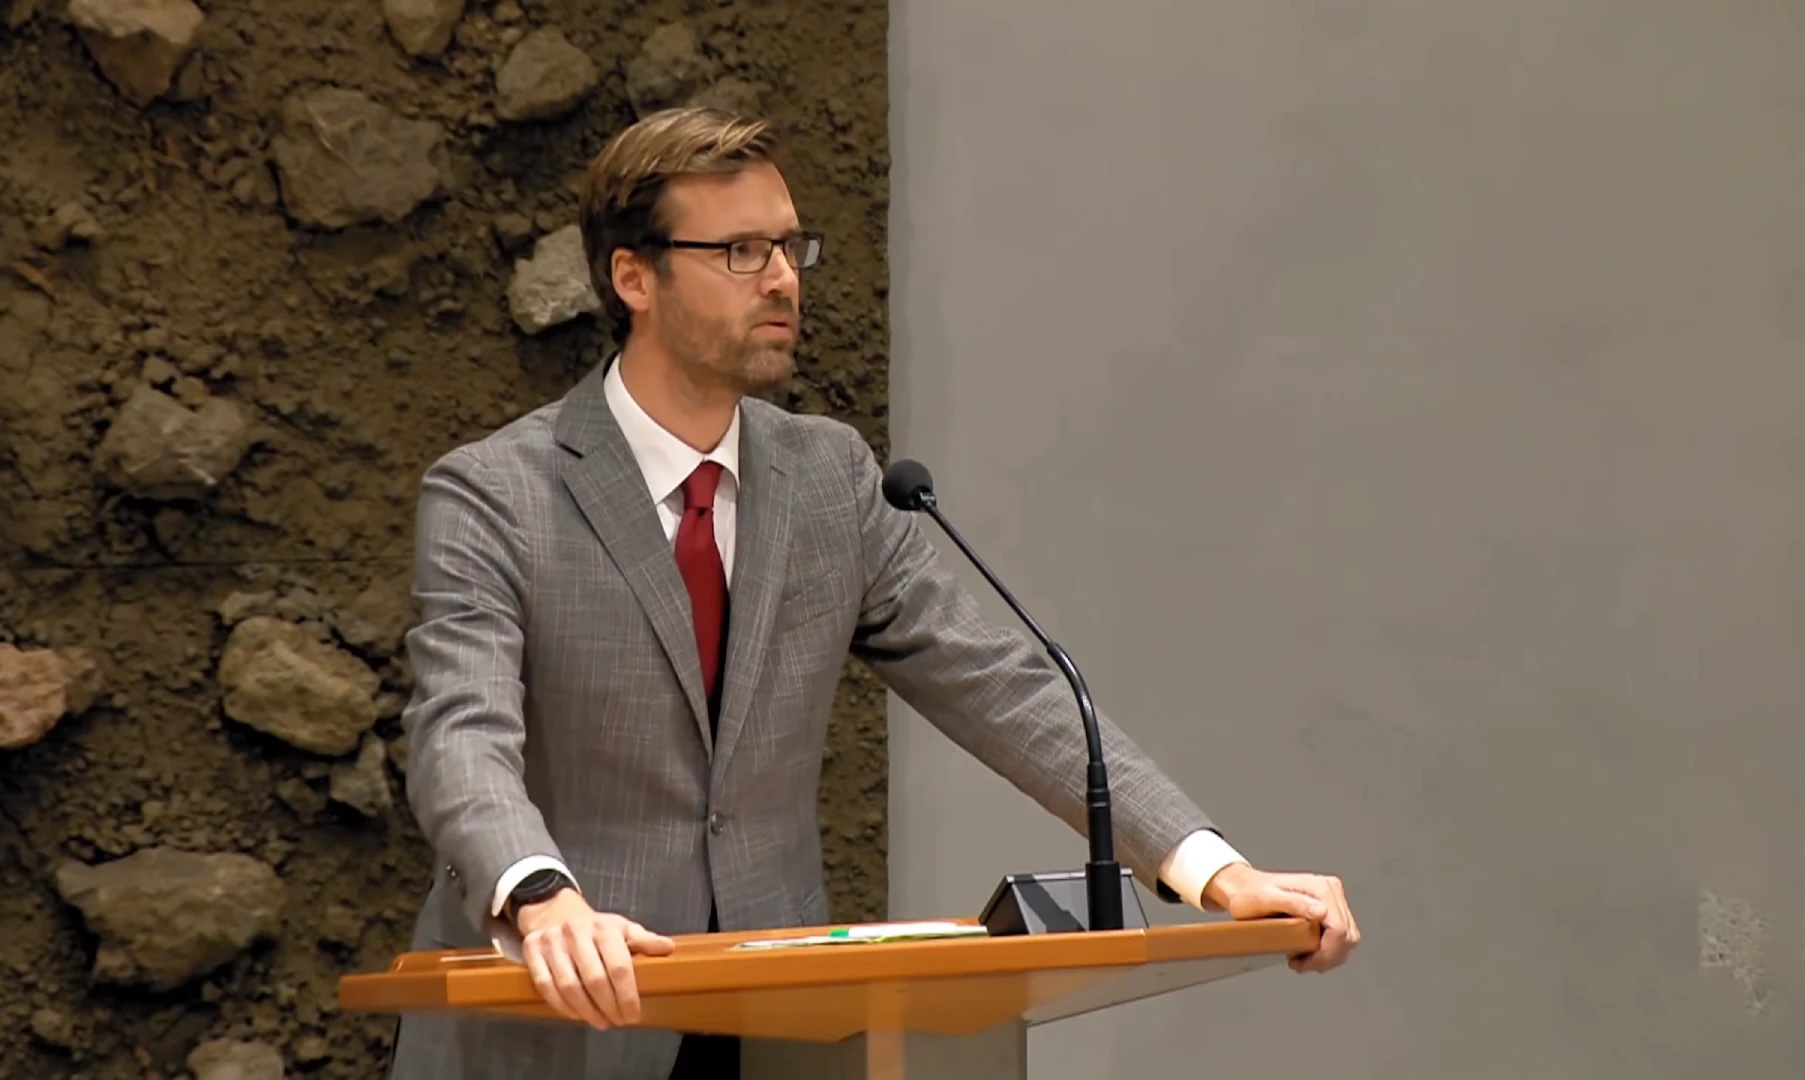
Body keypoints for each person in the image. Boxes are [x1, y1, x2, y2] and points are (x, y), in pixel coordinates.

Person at [385, 105, 1359, 1080]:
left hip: (775, 1026)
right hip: (554, 1023)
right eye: (740, 251)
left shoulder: (830, 478)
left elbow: (1000, 685)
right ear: (633, 277)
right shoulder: (496, 492)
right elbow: (461, 734)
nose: (782, 277)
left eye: (789, 245)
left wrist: (1216, 872)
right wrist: (540, 895)